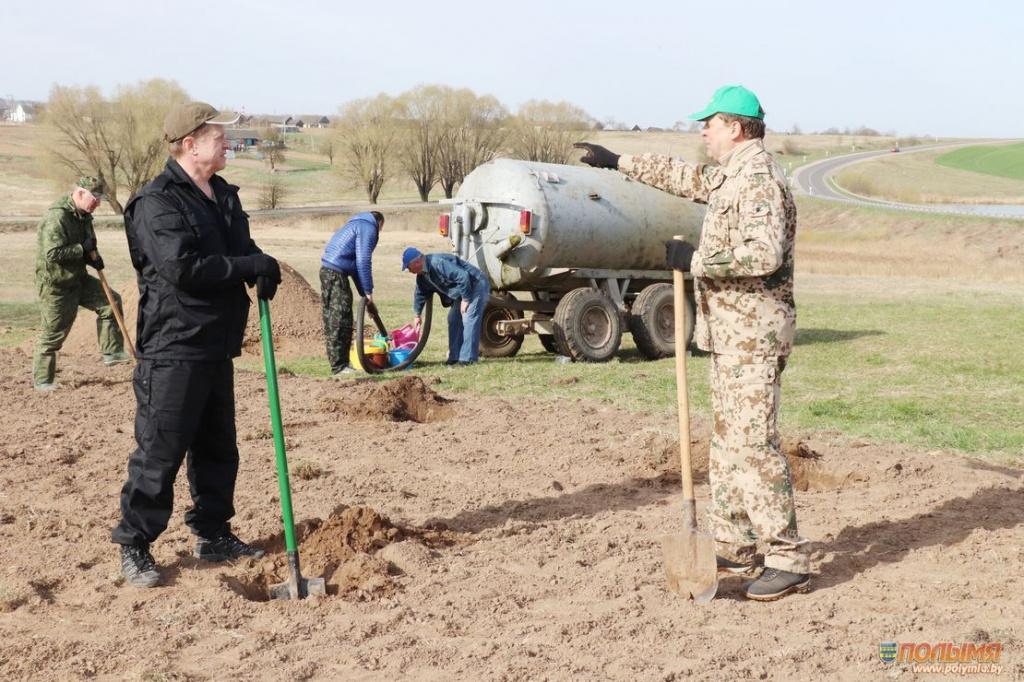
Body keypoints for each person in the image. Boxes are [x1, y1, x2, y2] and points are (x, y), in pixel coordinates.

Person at [576, 85, 810, 601]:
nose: (702, 130)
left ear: (736, 126)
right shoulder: (730, 175)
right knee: (727, 445)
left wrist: (695, 262)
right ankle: (734, 543)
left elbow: (763, 254)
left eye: (710, 122)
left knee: (752, 444)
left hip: (755, 334)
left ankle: (788, 556)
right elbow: (682, 177)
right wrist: (618, 161)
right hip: (728, 333)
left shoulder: (760, 178)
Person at [111, 102, 282, 588]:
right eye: (218, 136)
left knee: (218, 447)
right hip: (174, 345)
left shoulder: (223, 195)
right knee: (160, 450)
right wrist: (246, 268)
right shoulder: (157, 202)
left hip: (217, 343)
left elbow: (240, 249)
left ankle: (212, 533)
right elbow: (183, 269)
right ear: (190, 144)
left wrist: (260, 266)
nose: (227, 142)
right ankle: (135, 543)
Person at [32, 176, 131, 390]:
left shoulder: (85, 216)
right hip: (56, 286)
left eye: (100, 199)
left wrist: (92, 257)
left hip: (79, 278)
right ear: (79, 194)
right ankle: (42, 380)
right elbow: (52, 253)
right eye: (94, 198)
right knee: (53, 334)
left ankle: (111, 351)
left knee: (110, 302)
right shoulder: (57, 217)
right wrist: (81, 248)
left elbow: (89, 245)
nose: (97, 203)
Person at [320, 211, 384, 374]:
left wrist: (365, 297)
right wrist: (368, 292)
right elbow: (363, 261)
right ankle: (340, 367)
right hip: (335, 274)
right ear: (380, 223)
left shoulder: (355, 225)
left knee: (338, 317)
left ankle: (340, 364)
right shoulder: (368, 227)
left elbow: (355, 267)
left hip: (330, 272)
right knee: (340, 319)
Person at [401, 248, 489, 366]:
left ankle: (467, 359)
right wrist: (417, 314)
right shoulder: (422, 276)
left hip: (475, 283)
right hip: (462, 290)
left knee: (469, 317)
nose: (408, 270)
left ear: (417, 262)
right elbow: (420, 293)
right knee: (453, 319)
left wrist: (466, 299)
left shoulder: (437, 263)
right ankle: (454, 357)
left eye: (408, 267)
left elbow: (462, 276)